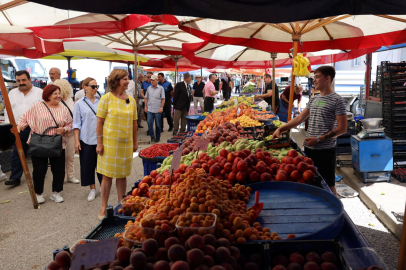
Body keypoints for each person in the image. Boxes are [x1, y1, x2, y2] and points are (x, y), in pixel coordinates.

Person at [272, 66, 347, 195]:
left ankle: (335, 210)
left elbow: (342, 128)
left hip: (326, 151)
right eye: (314, 77)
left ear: (327, 78)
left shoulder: (337, 100)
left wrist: (318, 139)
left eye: (317, 77)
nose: (314, 80)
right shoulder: (314, 99)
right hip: (309, 148)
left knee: (328, 185)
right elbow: (300, 118)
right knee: (312, 182)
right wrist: (281, 128)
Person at [17, 85, 73, 203]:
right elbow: (25, 118)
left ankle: (56, 193)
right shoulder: (38, 106)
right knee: (39, 169)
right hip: (39, 142)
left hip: (57, 142)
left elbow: (70, 124)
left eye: (59, 93)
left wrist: (64, 129)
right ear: (47, 95)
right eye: (55, 93)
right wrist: (20, 126)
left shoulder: (63, 108)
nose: (58, 96)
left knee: (58, 169)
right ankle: (38, 193)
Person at [96, 69, 138, 220]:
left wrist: (135, 141)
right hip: (109, 143)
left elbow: (134, 123)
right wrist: (99, 143)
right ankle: (103, 206)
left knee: (122, 175)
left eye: (128, 79)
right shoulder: (106, 98)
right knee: (107, 175)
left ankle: (121, 205)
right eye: (124, 79)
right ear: (116, 81)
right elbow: (99, 122)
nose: (127, 81)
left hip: (125, 144)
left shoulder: (131, 100)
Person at [4, 71, 43, 186]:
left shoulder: (40, 93)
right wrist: (9, 126)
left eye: (23, 80)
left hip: (35, 127)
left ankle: (39, 174)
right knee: (17, 153)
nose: (21, 83)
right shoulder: (12, 93)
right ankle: (15, 178)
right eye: (18, 81)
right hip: (18, 127)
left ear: (30, 79)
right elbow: (8, 109)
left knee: (37, 152)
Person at [73, 77, 102, 202]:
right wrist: (76, 141)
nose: (95, 89)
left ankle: (104, 187)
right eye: (93, 86)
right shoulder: (79, 103)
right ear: (85, 87)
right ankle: (92, 189)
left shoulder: (102, 101)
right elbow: (76, 124)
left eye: (97, 86)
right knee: (88, 165)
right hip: (86, 138)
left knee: (102, 165)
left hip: (101, 138)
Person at [53, 79, 80, 184]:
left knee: (70, 155)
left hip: (70, 131)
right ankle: (63, 176)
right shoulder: (55, 100)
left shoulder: (69, 99)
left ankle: (70, 175)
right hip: (60, 132)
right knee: (61, 156)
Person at [144, 75, 165, 142]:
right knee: (149, 122)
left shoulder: (161, 88)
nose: (152, 81)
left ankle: (158, 137)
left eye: (153, 80)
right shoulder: (148, 88)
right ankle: (152, 136)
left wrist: (161, 108)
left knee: (158, 124)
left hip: (157, 109)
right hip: (150, 109)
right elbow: (146, 98)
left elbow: (163, 99)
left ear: (156, 80)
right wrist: (145, 106)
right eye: (151, 80)